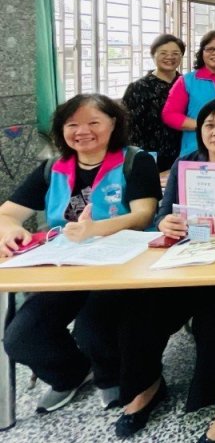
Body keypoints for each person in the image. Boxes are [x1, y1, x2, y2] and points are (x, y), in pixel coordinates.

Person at [115, 99, 215, 442]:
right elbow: (163, 214)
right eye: (209, 125)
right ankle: (148, 385)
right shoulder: (186, 163)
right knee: (140, 310)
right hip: (188, 261)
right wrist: (166, 222)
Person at [0, 95, 161, 413]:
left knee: (93, 329)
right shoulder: (52, 169)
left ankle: (110, 375)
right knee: (22, 336)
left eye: (93, 122)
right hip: (65, 265)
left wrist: (95, 229)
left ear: (113, 124)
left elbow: (143, 215)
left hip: (120, 265)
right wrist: (9, 231)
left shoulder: (135, 161)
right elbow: (7, 213)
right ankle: (72, 373)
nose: (82, 131)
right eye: (72, 124)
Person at [162, 30, 215, 158]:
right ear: (202, 52)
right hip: (194, 151)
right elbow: (170, 115)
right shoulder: (187, 80)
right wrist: (203, 125)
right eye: (209, 49)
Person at [122, 34, 185, 171]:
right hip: (150, 157)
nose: (170, 57)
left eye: (175, 53)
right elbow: (129, 126)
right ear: (153, 55)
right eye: (163, 53)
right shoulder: (138, 88)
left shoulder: (188, 84)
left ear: (181, 56)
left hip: (184, 154)